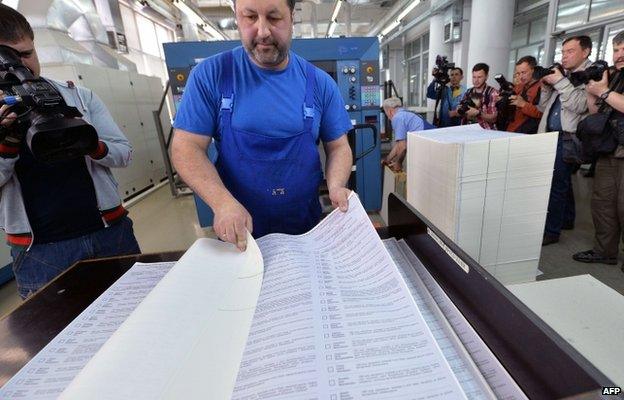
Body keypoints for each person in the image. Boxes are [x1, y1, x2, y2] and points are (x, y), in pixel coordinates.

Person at [171, 0, 353, 251]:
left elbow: (339, 147)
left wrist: (335, 186)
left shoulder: (319, 83)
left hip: (306, 228)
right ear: (237, 18)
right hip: (240, 233)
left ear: (292, 18)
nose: (263, 31)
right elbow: (186, 147)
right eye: (250, 17)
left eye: (274, 18)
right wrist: (222, 203)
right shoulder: (211, 75)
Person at [0, 5, 140, 299]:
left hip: (110, 235)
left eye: (26, 54)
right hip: (41, 254)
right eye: (9, 58)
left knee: (140, 316)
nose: (21, 66)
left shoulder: (79, 96)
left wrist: (91, 144)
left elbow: (124, 154)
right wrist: (7, 143)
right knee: (54, 335)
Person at [573, 32, 624, 266]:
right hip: (609, 149)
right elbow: (596, 112)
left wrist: (603, 91)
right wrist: (590, 87)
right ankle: (605, 251)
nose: (619, 55)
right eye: (616, 50)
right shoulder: (613, 77)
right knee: (602, 203)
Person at [539, 35, 592, 245]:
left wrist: (560, 82)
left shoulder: (591, 75)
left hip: (568, 138)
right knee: (563, 182)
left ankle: (551, 231)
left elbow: (580, 106)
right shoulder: (565, 75)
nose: (565, 56)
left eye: (570, 51)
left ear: (585, 51)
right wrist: (546, 86)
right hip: (551, 135)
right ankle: (566, 219)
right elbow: (544, 107)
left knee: (556, 185)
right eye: (563, 52)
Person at [381, 97, 424, 171]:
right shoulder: (405, 114)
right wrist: (387, 159)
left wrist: (398, 163)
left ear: (390, 111)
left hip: (427, 145)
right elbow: (399, 145)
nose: (388, 118)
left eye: (386, 113)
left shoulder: (397, 118)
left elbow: (402, 147)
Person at [506, 56, 543, 134]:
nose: (520, 77)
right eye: (518, 73)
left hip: (529, 133)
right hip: (512, 129)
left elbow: (542, 113)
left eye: (524, 72)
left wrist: (523, 104)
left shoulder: (543, 88)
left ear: (533, 70)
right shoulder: (519, 87)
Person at [459, 63, 499, 129]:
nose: (476, 80)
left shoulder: (492, 93)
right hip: (468, 130)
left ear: (486, 76)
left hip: (486, 133)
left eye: (479, 77)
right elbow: (462, 112)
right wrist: (461, 110)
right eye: (474, 77)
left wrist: (478, 113)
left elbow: (494, 118)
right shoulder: (469, 91)